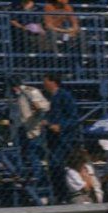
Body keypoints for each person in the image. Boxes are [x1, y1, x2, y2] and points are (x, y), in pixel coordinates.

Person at [41, 73, 79, 203]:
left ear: (53, 82)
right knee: (53, 168)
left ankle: (65, 196)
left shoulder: (64, 96)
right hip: (52, 140)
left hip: (63, 139)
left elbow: (74, 119)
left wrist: (60, 126)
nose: (43, 84)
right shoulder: (48, 98)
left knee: (59, 167)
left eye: (45, 81)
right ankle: (59, 196)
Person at [7, 75, 50, 183]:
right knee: (19, 152)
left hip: (33, 127)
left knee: (33, 152)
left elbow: (44, 106)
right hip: (19, 128)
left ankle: (37, 177)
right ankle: (21, 174)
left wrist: (38, 110)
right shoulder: (13, 96)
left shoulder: (30, 91)